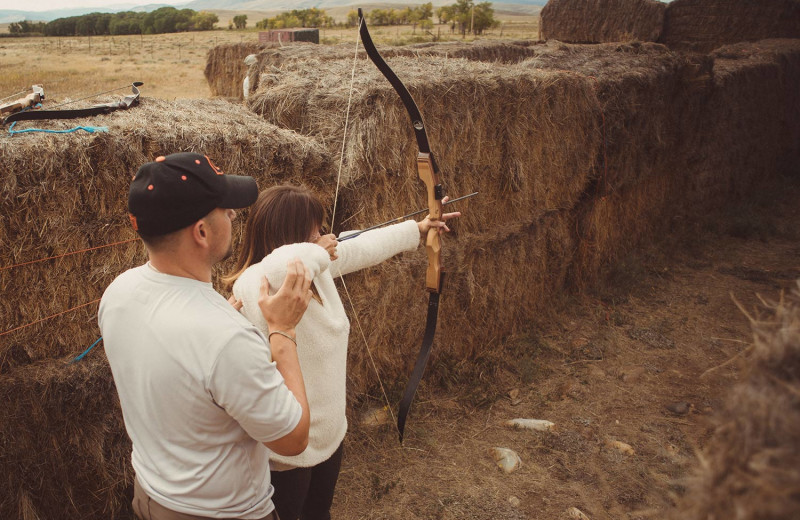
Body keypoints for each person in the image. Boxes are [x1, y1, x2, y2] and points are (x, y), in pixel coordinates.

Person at [224, 185, 461, 520]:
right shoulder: (257, 283)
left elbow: (362, 245)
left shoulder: (314, 272)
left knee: (319, 515)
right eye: (316, 231)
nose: (325, 236)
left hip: (328, 436)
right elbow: (277, 267)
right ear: (291, 236)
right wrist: (317, 250)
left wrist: (418, 230)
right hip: (284, 455)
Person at [99, 152, 314, 520]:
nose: (233, 215)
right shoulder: (225, 339)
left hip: (149, 497)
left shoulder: (118, 292)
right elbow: (293, 439)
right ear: (201, 232)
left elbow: (176, 364)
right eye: (225, 209)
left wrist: (217, 337)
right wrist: (283, 330)